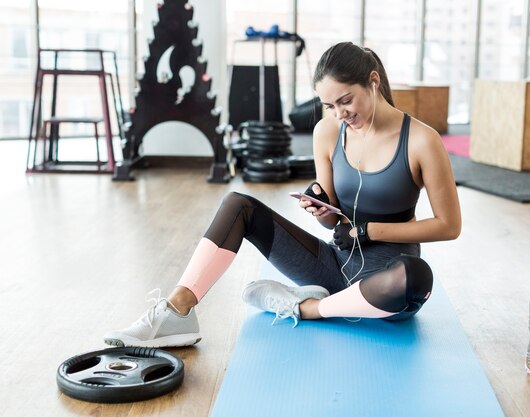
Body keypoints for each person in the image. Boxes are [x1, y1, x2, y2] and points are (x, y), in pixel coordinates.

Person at [104, 41, 461, 348]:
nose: (339, 113)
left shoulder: (421, 140)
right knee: (238, 204)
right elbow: (332, 219)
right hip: (335, 267)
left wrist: (372, 231)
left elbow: (449, 226)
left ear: (373, 82)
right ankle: (176, 311)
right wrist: (320, 206)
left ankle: (305, 308)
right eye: (329, 106)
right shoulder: (328, 131)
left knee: (417, 277)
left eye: (346, 100)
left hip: (387, 284)